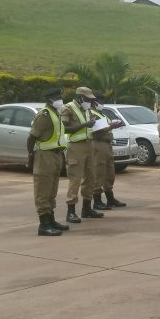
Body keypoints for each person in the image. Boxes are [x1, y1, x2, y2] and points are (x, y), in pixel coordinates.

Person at [26, 88, 71, 236]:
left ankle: (51, 220)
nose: (60, 99)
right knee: (43, 190)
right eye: (57, 97)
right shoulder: (44, 115)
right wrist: (31, 155)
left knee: (52, 189)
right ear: (49, 100)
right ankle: (44, 224)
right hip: (44, 156)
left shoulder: (55, 114)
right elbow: (32, 137)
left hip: (56, 155)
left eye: (60, 96)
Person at [61, 86, 102, 223]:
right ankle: (71, 211)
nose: (89, 102)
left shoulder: (87, 109)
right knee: (75, 179)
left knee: (91, 177)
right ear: (79, 97)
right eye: (87, 99)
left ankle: (86, 208)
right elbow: (64, 128)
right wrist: (84, 125)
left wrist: (93, 124)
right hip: (76, 147)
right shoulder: (68, 108)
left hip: (88, 145)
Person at [90, 92, 126, 211]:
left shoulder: (101, 113)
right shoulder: (91, 114)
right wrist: (111, 126)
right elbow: (95, 132)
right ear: (94, 102)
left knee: (110, 172)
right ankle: (97, 200)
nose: (102, 104)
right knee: (99, 171)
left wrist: (113, 125)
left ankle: (110, 198)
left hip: (107, 144)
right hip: (98, 144)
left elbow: (104, 127)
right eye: (100, 102)